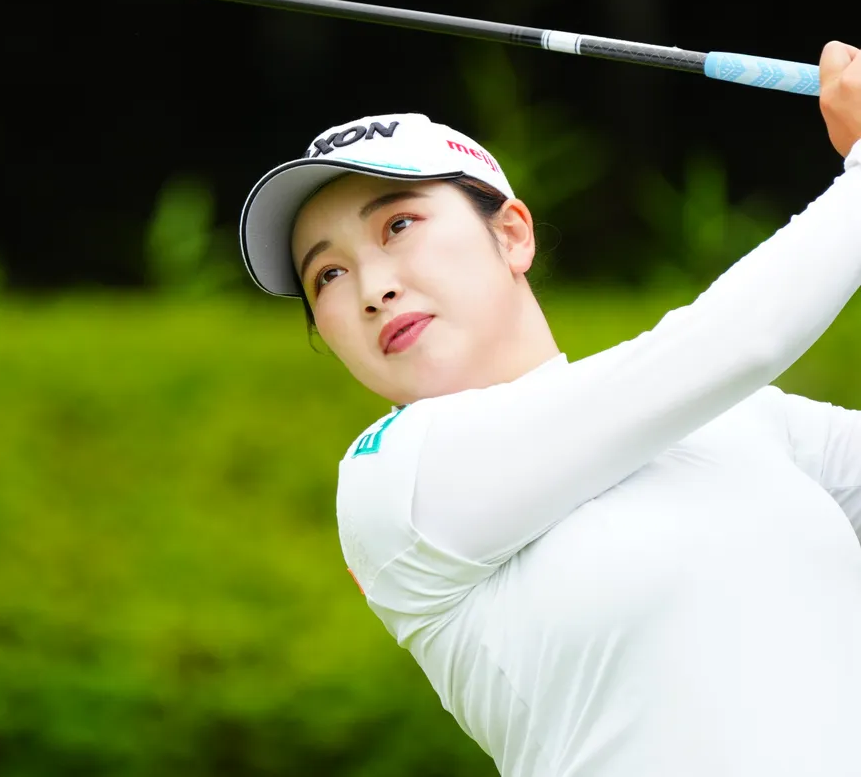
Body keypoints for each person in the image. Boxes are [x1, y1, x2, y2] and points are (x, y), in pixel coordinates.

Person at [237, 41, 861, 777]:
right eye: (329, 274)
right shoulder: (394, 481)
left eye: (398, 225)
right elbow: (739, 340)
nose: (373, 288)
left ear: (511, 234)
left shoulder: (751, 422)